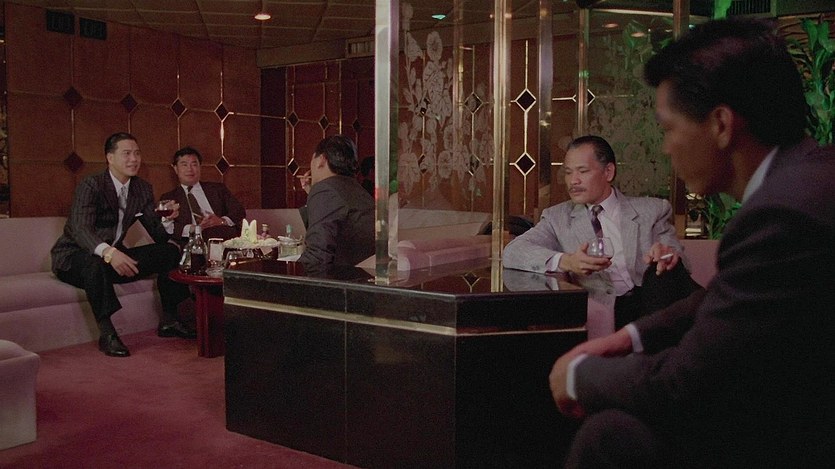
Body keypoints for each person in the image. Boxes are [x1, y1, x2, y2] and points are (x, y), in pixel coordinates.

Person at [550, 18, 835, 468]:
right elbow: (725, 296)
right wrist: (632, 336)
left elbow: (685, 385)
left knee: (610, 437)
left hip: (804, 431)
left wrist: (578, 377)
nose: (666, 148)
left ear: (720, 124)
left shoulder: (782, 215)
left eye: (668, 128)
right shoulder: (808, 178)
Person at [503, 135, 699, 330]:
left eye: (583, 171)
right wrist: (568, 261)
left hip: (655, 295)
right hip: (609, 307)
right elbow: (513, 252)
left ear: (608, 172)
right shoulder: (557, 218)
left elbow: (681, 264)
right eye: (568, 173)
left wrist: (666, 255)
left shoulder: (652, 210)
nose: (573, 181)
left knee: (664, 275)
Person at [51, 133, 193, 357]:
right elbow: (80, 229)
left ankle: (170, 319)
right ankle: (107, 334)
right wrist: (109, 253)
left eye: (137, 154)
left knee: (170, 251)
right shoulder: (91, 185)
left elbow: (158, 234)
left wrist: (167, 220)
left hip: (112, 258)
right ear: (110, 158)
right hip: (75, 258)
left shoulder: (141, 188)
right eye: (126, 154)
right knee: (94, 263)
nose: (133, 159)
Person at [297, 135, 374, 272]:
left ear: (321, 160)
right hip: (364, 275)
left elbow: (318, 257)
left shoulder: (325, 189)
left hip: (344, 279)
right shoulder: (357, 189)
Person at [159, 146, 246, 244]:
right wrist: (196, 229)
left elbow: (239, 211)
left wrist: (221, 221)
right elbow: (168, 228)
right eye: (184, 165)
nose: (190, 169)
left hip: (223, 235)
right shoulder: (169, 198)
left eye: (194, 164)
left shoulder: (217, 189)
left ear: (200, 167)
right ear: (176, 169)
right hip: (192, 241)